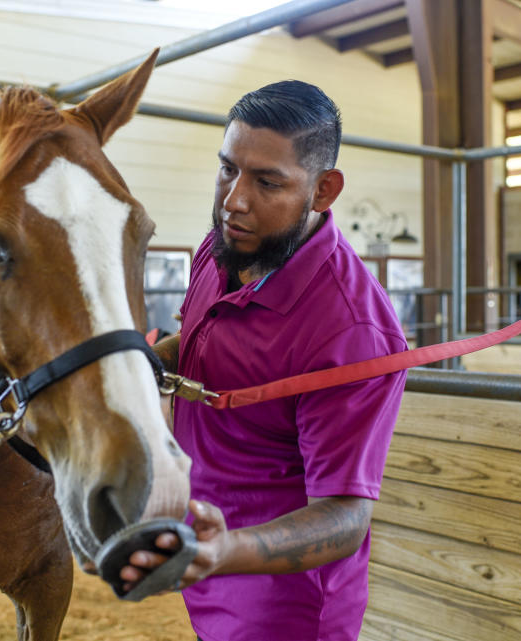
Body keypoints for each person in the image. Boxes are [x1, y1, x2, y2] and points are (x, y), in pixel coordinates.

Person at [125, 81, 407, 640]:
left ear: (324, 190)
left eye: (266, 182)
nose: (234, 200)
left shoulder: (352, 330)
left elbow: (345, 517)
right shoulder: (224, 246)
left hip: (283, 604)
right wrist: (139, 362)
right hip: (207, 552)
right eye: (227, 169)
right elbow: (200, 340)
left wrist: (229, 550)